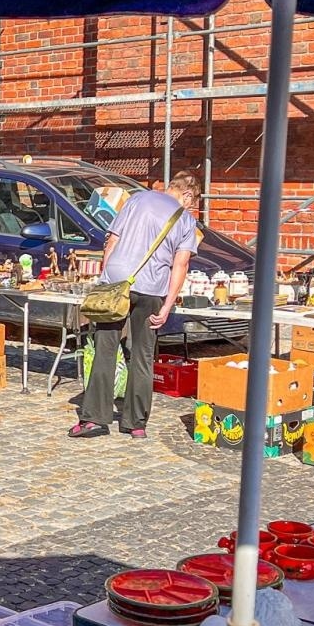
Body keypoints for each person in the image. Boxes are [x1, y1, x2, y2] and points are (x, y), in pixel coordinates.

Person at [71, 171, 201, 440]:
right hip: (151, 289)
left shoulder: (136, 199)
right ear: (187, 194)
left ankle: (94, 418)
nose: (191, 206)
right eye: (193, 200)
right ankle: (136, 423)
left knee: (105, 348)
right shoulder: (186, 220)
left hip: (119, 282)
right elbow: (181, 264)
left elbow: (113, 241)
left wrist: (106, 279)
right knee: (142, 355)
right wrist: (167, 305)